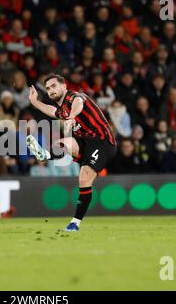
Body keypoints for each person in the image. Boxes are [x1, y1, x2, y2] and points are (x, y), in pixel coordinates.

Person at [26, 74, 117, 231]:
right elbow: (52, 110)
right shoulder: (62, 110)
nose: (51, 90)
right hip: (84, 142)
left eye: (54, 86)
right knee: (62, 143)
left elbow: (79, 103)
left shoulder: (75, 97)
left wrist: (73, 116)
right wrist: (35, 102)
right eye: (48, 88)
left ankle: (75, 223)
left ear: (64, 86)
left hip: (102, 142)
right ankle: (45, 155)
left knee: (84, 178)